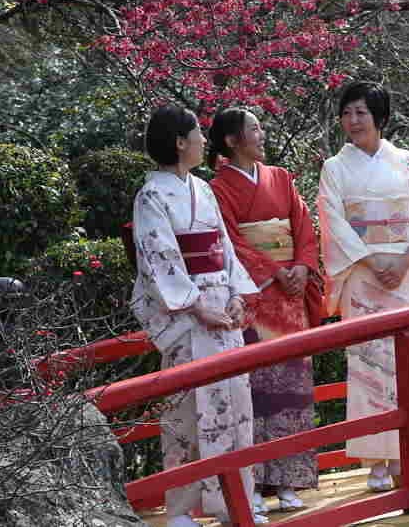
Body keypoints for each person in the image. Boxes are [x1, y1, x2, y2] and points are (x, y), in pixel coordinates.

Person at [128, 105, 267, 527]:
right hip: (189, 315)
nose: (205, 141)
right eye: (197, 134)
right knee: (187, 412)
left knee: (235, 408)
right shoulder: (151, 195)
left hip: (222, 311)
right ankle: (180, 508)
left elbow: (222, 248)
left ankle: (236, 502)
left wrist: (237, 295)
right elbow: (159, 259)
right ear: (179, 142)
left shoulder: (203, 190)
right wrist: (196, 304)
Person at [317, 81, 409, 492]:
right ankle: (376, 460)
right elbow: (333, 223)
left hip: (407, 270)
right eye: (347, 113)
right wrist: (372, 260)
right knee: (369, 365)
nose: (353, 121)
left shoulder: (408, 163)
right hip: (363, 270)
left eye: (361, 112)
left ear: (380, 117)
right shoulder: (334, 169)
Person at [208, 107, 324, 515]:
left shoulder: (282, 178)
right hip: (257, 297)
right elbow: (228, 240)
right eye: (254, 129)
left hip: (291, 296)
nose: (262, 134)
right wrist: (274, 270)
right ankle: (254, 483)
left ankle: (289, 480)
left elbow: (304, 226)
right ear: (231, 140)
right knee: (257, 391)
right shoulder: (218, 188)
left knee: (293, 389)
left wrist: (301, 267)